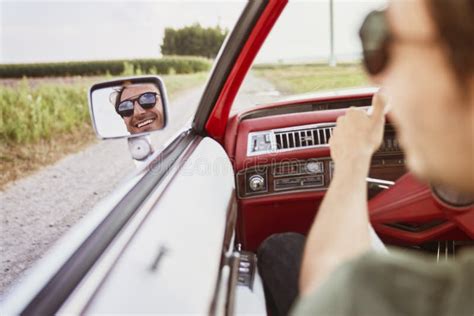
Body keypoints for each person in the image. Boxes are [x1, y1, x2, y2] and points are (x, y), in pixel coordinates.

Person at [257, 0, 474, 315]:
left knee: (280, 247)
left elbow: (332, 290)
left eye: (388, 44)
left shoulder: (363, 292)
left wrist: (353, 158)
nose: (376, 78)